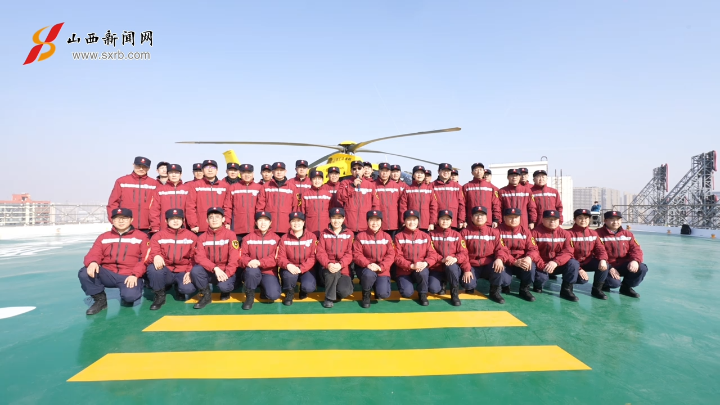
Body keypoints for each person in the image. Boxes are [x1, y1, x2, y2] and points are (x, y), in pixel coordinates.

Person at [79, 208, 150, 315]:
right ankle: (100, 300)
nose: (121, 221)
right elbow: (94, 252)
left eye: (124, 218)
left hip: (129, 274)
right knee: (85, 272)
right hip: (108, 273)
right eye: (117, 218)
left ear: (131, 220)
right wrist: (93, 262)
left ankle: (127, 294)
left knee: (130, 297)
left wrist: (135, 274)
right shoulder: (104, 237)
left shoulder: (141, 237)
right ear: (112, 220)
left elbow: (145, 258)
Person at [146, 209, 198, 310]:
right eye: (172, 219)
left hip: (183, 270)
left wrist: (189, 272)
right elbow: (150, 254)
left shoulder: (192, 236)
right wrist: (155, 256)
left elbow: (195, 257)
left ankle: (179, 287)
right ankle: (159, 295)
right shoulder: (158, 236)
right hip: (166, 270)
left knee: (188, 289)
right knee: (153, 269)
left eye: (178, 218)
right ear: (166, 221)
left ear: (183, 220)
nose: (175, 221)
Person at [190, 207, 240, 309]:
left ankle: (225, 291)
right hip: (211, 270)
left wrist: (227, 274)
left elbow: (234, 257)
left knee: (224, 287)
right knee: (196, 271)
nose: (214, 220)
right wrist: (215, 268)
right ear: (207, 220)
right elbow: (200, 258)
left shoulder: (230, 235)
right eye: (211, 217)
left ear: (223, 219)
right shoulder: (202, 238)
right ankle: (206, 295)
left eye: (217, 217)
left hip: (226, 271)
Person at [460, 206, 512, 304]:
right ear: (471, 218)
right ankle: (471, 285)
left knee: (499, 267)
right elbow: (462, 252)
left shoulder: (494, 232)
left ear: (487, 218)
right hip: (472, 265)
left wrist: (499, 259)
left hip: (489, 264)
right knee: (468, 284)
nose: (479, 217)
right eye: (476, 215)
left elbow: (501, 249)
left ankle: (494, 291)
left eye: (482, 215)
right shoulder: (464, 232)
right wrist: (466, 269)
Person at [596, 211, 648, 298]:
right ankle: (604, 284)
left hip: (624, 265)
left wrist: (635, 261)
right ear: (605, 221)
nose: (615, 222)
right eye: (612, 219)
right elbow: (596, 253)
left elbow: (636, 249)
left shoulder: (628, 234)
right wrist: (609, 267)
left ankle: (626, 287)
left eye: (618, 219)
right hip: (607, 266)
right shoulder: (597, 234)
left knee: (642, 268)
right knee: (614, 283)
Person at [394, 210, 441, 306]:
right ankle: (408, 284)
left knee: (423, 272)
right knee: (406, 293)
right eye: (409, 219)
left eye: (414, 219)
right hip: (405, 270)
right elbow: (397, 257)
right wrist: (411, 265)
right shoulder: (398, 237)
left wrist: (425, 263)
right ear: (404, 221)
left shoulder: (425, 236)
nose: (412, 222)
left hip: (420, 269)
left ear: (418, 221)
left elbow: (433, 254)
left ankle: (422, 293)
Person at [531, 210, 580, 301]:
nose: (552, 221)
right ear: (543, 220)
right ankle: (537, 285)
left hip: (557, 264)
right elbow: (533, 251)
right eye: (549, 219)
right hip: (541, 264)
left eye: (555, 219)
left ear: (559, 220)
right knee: (541, 279)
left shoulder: (565, 234)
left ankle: (566, 290)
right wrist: (543, 265)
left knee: (573, 263)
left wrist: (555, 262)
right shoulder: (534, 233)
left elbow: (568, 251)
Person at [239, 211, 282, 309]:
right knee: (252, 272)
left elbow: (276, 258)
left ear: (270, 223)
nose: (263, 223)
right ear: (256, 222)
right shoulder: (247, 238)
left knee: (273, 295)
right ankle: (249, 296)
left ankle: (264, 287)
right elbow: (241, 257)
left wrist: (259, 262)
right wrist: (249, 262)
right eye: (260, 220)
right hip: (252, 270)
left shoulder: (276, 239)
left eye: (266, 220)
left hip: (269, 272)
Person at [353, 211, 396, 308]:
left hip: (381, 268)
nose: (374, 223)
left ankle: (376, 287)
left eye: (377, 220)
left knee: (383, 294)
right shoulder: (361, 236)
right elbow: (356, 254)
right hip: (366, 268)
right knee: (368, 275)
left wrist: (381, 266)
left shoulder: (386, 237)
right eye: (371, 220)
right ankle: (366, 294)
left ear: (381, 222)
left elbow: (391, 255)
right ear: (367, 221)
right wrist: (368, 264)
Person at [107, 156, 159, 234]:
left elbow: (157, 206)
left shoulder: (154, 184)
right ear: (133, 165)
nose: (141, 169)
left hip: (147, 228)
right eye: (138, 166)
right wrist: (115, 221)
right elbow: (113, 203)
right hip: (125, 227)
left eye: (144, 167)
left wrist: (155, 225)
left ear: (149, 168)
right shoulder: (122, 181)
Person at [428, 210, 470, 306]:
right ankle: (442, 283)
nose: (445, 221)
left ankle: (454, 294)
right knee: (433, 289)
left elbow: (463, 252)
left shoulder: (457, 235)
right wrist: (441, 259)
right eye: (442, 219)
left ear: (451, 221)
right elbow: (430, 252)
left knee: (451, 266)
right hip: (437, 268)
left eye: (447, 219)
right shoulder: (431, 235)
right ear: (438, 220)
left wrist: (455, 259)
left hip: (452, 267)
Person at [316, 207, 355, 308]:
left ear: (343, 219)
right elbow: (320, 252)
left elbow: (350, 253)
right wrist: (328, 264)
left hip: (343, 268)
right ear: (329, 219)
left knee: (344, 291)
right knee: (332, 273)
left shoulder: (349, 234)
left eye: (339, 218)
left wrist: (340, 264)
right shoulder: (324, 234)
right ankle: (329, 298)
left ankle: (340, 287)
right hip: (329, 267)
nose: (336, 221)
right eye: (333, 217)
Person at [497, 208, 539, 302]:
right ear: (504, 218)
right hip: (505, 262)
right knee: (504, 279)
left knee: (530, 266)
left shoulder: (526, 231)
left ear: (520, 218)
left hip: (522, 261)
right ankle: (505, 286)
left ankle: (524, 289)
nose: (513, 220)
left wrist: (529, 258)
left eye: (516, 217)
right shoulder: (497, 231)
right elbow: (499, 250)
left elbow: (533, 248)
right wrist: (514, 261)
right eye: (510, 217)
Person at [567, 208, 610, 300]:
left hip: (587, 261)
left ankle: (597, 289)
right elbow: (567, 253)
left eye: (586, 218)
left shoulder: (593, 233)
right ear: (574, 219)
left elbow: (600, 249)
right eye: (580, 218)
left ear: (589, 219)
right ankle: (567, 289)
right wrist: (579, 269)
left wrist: (603, 260)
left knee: (604, 264)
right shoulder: (568, 233)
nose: (583, 220)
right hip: (573, 263)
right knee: (581, 278)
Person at [278, 212, 318, 305]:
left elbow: (313, 257)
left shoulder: (312, 237)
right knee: (288, 276)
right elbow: (280, 257)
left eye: (299, 221)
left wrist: (301, 268)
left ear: (303, 222)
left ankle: (303, 290)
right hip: (290, 268)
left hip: (307, 268)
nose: (296, 223)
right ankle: (289, 292)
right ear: (289, 223)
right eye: (293, 221)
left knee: (309, 287)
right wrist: (288, 265)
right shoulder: (284, 238)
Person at [224, 163, 265, 244]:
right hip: (237, 228)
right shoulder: (233, 188)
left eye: (249, 173)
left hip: (254, 227)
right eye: (244, 173)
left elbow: (261, 207)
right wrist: (227, 222)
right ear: (240, 173)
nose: (247, 175)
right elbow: (227, 207)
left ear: (253, 174)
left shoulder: (259, 188)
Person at [186, 160, 229, 234]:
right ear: (202, 171)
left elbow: (227, 207)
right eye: (207, 168)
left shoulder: (225, 186)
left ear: (217, 171)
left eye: (213, 168)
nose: (210, 170)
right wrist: (193, 224)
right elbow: (190, 206)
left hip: (220, 227)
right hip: (201, 227)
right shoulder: (195, 186)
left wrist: (227, 222)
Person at [337, 160, 379, 233]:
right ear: (351, 171)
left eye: (359, 168)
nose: (357, 170)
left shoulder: (370, 185)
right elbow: (340, 197)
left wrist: (374, 221)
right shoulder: (345, 183)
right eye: (354, 169)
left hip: (365, 225)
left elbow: (375, 204)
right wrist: (352, 186)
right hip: (349, 225)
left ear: (363, 170)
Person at [260, 162, 300, 235]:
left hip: (286, 225)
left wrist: (294, 222)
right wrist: (262, 222)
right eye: (276, 170)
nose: (279, 172)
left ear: (285, 172)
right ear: (272, 172)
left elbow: (295, 207)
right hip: (269, 226)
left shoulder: (292, 188)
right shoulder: (265, 187)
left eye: (281, 170)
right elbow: (260, 206)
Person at [149, 163, 189, 233]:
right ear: (167, 174)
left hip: (183, 227)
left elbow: (191, 209)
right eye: (171, 173)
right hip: (164, 227)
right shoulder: (160, 190)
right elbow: (154, 210)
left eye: (176, 173)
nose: (174, 175)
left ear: (181, 174)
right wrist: (155, 226)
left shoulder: (187, 189)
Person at [399, 166, 438, 232]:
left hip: (425, 225)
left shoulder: (430, 190)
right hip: (411, 224)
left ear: (424, 176)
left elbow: (433, 207)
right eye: (417, 173)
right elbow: (403, 207)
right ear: (413, 175)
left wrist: (432, 222)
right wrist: (403, 221)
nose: (419, 175)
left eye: (422, 173)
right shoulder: (407, 190)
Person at [462, 162, 501, 228]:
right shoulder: (466, 187)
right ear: (472, 173)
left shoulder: (492, 188)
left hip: (488, 222)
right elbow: (463, 205)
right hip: (471, 222)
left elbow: (496, 205)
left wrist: (496, 219)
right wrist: (464, 220)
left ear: (483, 171)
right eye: (476, 170)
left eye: (480, 169)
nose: (479, 172)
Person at [300, 170, 333, 237]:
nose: (317, 181)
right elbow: (302, 212)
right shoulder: (305, 194)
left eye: (319, 179)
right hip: (310, 227)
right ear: (311, 180)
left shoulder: (328, 195)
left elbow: (331, 211)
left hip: (325, 227)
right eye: (314, 179)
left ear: (323, 180)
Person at [433, 163, 465, 229]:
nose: (446, 172)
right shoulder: (431, 186)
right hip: (437, 223)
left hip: (453, 223)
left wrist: (461, 220)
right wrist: (433, 221)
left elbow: (461, 205)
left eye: (448, 171)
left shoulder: (457, 187)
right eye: (443, 170)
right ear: (438, 171)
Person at [373, 162, 402, 237]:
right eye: (382, 171)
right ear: (378, 171)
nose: (384, 173)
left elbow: (401, 204)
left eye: (387, 171)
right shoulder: (373, 185)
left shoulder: (396, 186)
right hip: (379, 223)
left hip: (394, 224)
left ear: (390, 172)